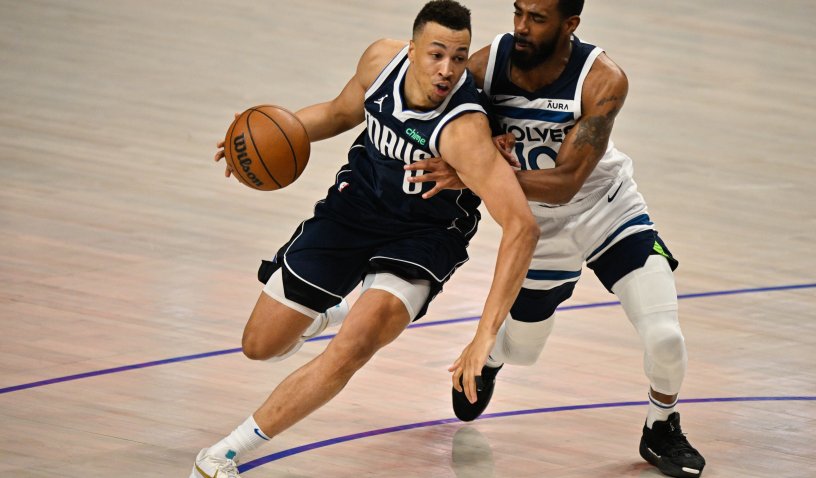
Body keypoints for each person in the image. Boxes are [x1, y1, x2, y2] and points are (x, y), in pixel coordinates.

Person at [190, 1, 539, 477]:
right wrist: (253, 142)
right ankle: (327, 311)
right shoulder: (380, 61)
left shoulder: (464, 129)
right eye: (436, 54)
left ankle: (224, 453)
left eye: (459, 58)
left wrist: (484, 335)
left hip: (423, 235)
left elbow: (522, 227)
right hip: (354, 210)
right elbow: (336, 114)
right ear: (411, 48)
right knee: (259, 345)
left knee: (353, 347)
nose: (448, 70)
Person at [405, 1, 706, 477]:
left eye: (537, 19)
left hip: (607, 211)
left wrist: (475, 174)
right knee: (523, 350)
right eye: (518, 12)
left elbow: (566, 182)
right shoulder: (487, 65)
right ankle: (491, 358)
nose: (521, 27)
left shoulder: (602, 79)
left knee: (665, 336)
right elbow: (432, 115)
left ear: (571, 25)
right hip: (538, 228)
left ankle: (662, 425)